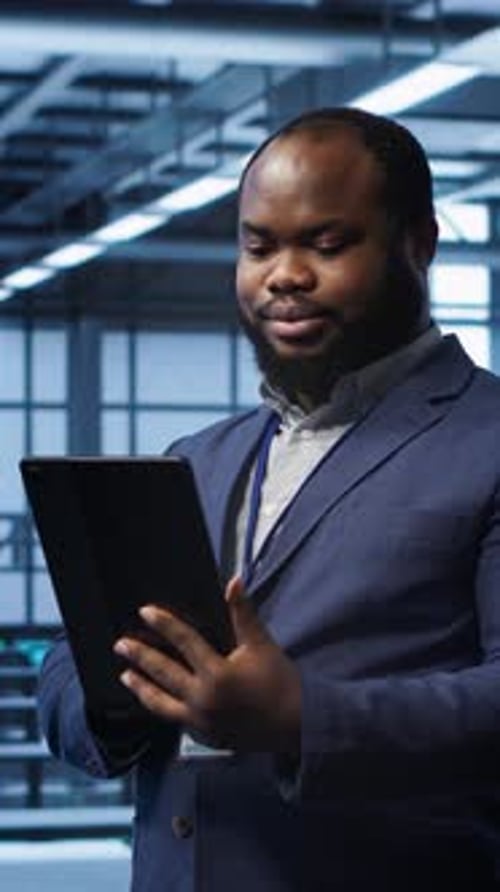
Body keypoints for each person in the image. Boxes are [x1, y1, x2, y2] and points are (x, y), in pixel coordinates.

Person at [38, 107, 500, 891]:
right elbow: (63, 668)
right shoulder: (199, 460)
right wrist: (132, 690)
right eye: (259, 246)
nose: (284, 274)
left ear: (417, 244)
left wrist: (298, 720)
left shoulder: (487, 440)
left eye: (327, 244)